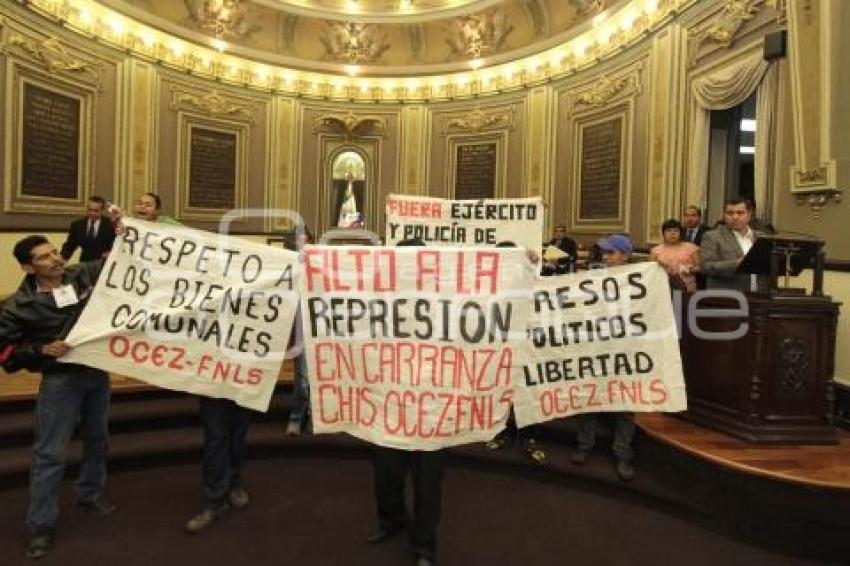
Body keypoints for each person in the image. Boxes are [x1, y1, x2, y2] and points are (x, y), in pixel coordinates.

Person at [0, 236, 117, 559]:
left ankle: (89, 494)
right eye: (44, 257)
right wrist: (40, 350)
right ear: (27, 267)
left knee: (98, 438)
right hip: (59, 381)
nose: (55, 259)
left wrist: (125, 231)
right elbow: (5, 353)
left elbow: (117, 259)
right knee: (49, 453)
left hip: (96, 372)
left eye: (54, 252)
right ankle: (40, 526)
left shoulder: (81, 274)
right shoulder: (16, 306)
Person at [368, 238, 444, 566]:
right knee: (386, 474)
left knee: (428, 486)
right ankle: (392, 519)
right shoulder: (379, 298)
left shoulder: (448, 299)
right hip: (390, 404)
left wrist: (523, 266)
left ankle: (424, 545)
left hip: (432, 409)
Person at [570, 233, 637, 481]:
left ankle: (622, 454)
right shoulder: (594, 278)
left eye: (611, 253)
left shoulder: (640, 280)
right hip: (596, 347)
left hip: (626, 351)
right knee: (589, 399)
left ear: (625, 255)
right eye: (605, 253)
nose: (605, 257)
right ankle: (584, 446)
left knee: (625, 406)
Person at [699, 197, 767, 292]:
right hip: (728, 297)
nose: (735, 217)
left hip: (761, 295)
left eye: (740, 213)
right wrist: (738, 263)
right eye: (730, 213)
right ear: (724, 215)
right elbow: (705, 267)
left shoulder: (762, 237)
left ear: (749, 215)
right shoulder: (712, 236)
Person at [286, 226, 313, 437]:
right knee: (303, 377)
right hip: (300, 329)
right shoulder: (286, 266)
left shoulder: (321, 265)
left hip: (321, 329)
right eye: (298, 241)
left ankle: (313, 416)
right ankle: (297, 416)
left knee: (319, 375)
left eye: (306, 241)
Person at [649, 219, 700, 292]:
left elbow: (701, 267)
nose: (672, 234)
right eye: (669, 231)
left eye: (676, 231)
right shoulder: (655, 251)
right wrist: (662, 267)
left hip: (687, 287)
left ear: (681, 233)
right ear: (663, 233)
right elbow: (651, 271)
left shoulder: (691, 248)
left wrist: (689, 269)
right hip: (663, 287)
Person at [60, 196, 116, 262]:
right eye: (90, 210)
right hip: (85, 263)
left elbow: (116, 245)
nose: (92, 213)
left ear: (102, 211)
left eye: (95, 211)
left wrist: (111, 253)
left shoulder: (111, 225)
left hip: (104, 263)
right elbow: (70, 245)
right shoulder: (77, 225)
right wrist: (61, 260)